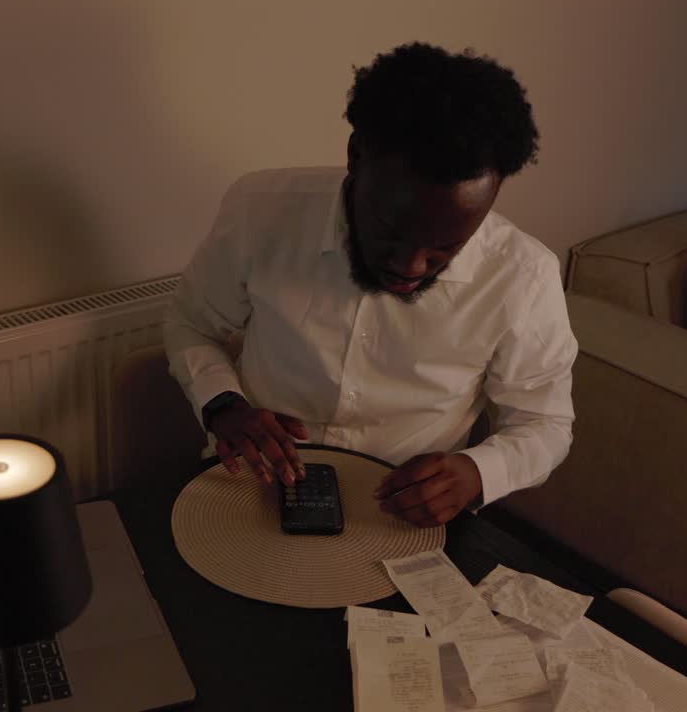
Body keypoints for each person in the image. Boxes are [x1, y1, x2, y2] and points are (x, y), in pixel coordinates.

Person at [163, 42, 577, 528]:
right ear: (356, 156)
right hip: (251, 483)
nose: (411, 265)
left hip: (400, 517)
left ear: (493, 194)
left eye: (446, 246)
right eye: (391, 231)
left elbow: (545, 423)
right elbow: (192, 324)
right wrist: (223, 404)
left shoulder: (523, 278)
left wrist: (476, 473)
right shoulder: (261, 211)